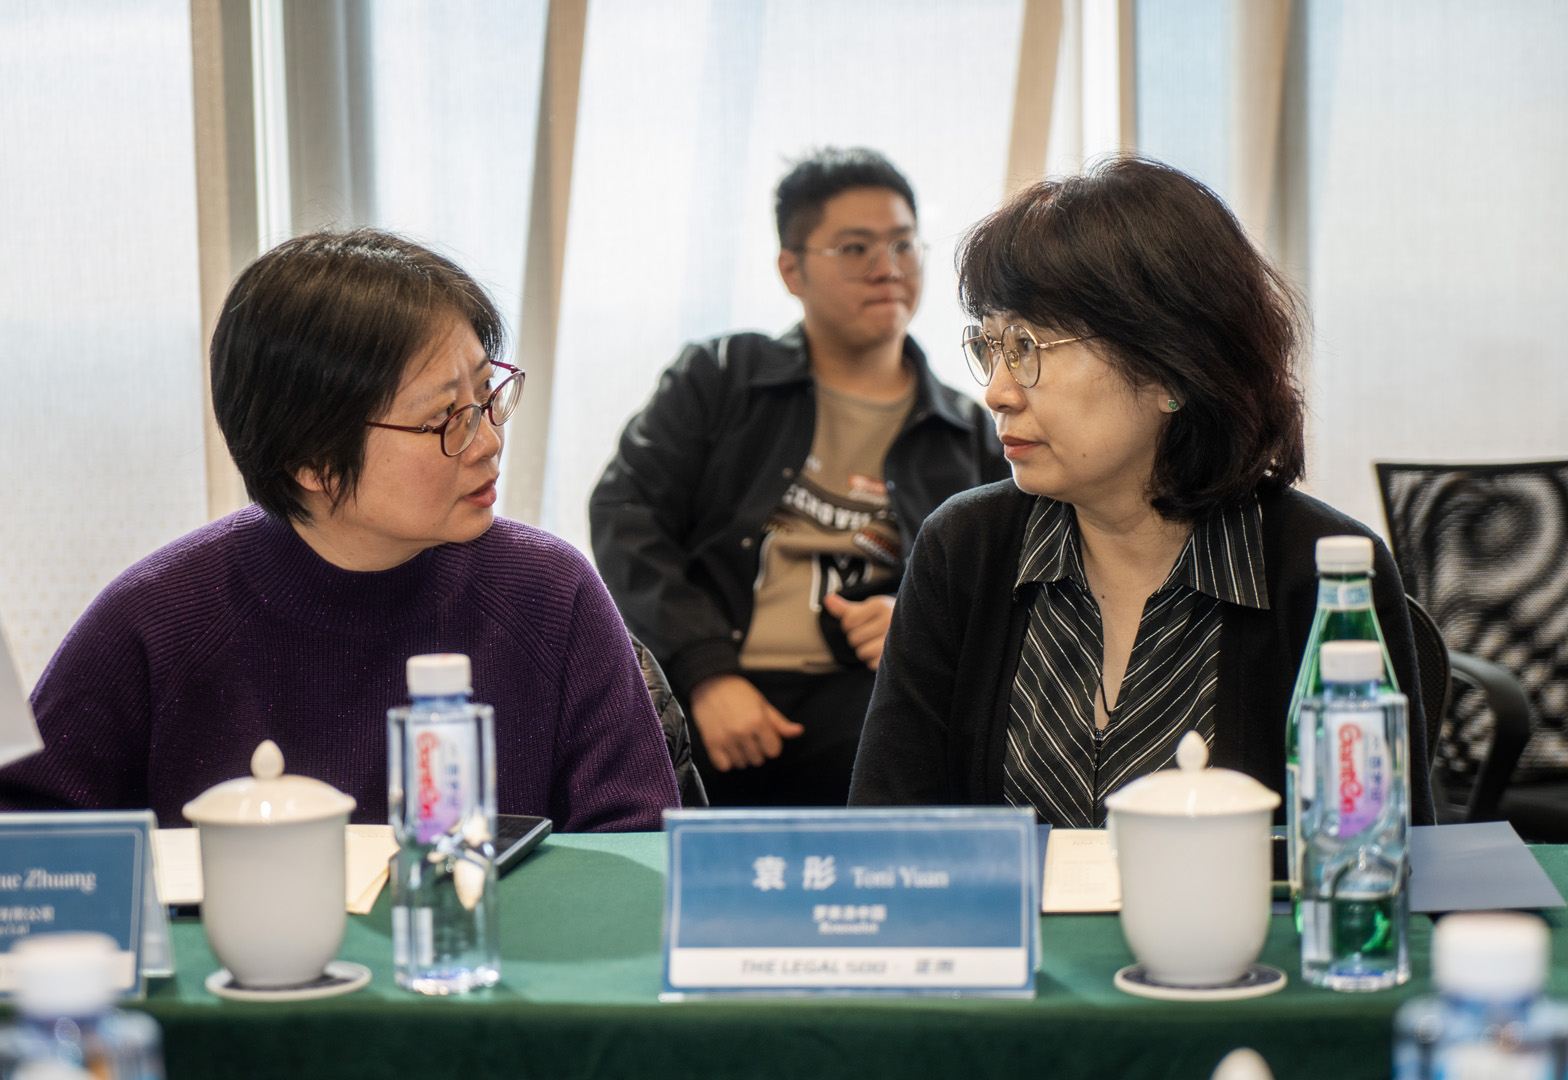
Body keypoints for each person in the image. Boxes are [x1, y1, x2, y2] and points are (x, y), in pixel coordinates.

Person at [0, 229, 679, 829]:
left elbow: (638, 849)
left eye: (485, 394)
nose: (488, 440)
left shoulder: (551, 595)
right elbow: (29, 845)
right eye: (445, 418)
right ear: (314, 463)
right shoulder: (157, 620)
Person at [848, 156, 1437, 826]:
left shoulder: (1326, 573)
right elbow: (886, 834)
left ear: (1171, 371)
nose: (997, 392)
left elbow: (1374, 851)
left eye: (1029, 347)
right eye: (990, 347)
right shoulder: (965, 549)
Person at [591, 148, 1007, 807]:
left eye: (904, 244)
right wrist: (706, 673)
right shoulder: (721, 378)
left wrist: (913, 619)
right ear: (792, 270)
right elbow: (625, 514)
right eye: (855, 248)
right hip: (715, 688)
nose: (887, 267)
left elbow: (999, 585)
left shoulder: (970, 430)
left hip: (874, 703)